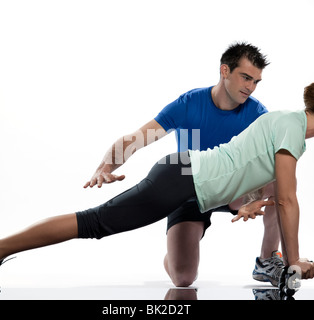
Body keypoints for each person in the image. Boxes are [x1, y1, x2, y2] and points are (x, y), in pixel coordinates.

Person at [0, 75, 314, 292]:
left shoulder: (287, 129)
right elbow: (288, 200)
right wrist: (295, 262)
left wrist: (252, 202)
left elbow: (264, 182)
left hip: (191, 179)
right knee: (95, 223)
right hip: (184, 178)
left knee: (110, 231)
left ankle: (267, 263)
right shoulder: (290, 127)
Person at [83, 42, 283, 287]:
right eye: (245, 78)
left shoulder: (257, 114)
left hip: (232, 188)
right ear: (224, 71)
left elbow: (273, 163)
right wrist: (106, 167)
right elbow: (136, 139)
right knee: (184, 278)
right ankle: (176, 255)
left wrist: (249, 197)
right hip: (191, 191)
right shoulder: (190, 104)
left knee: (279, 182)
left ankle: (266, 261)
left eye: (255, 81)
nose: (251, 88)